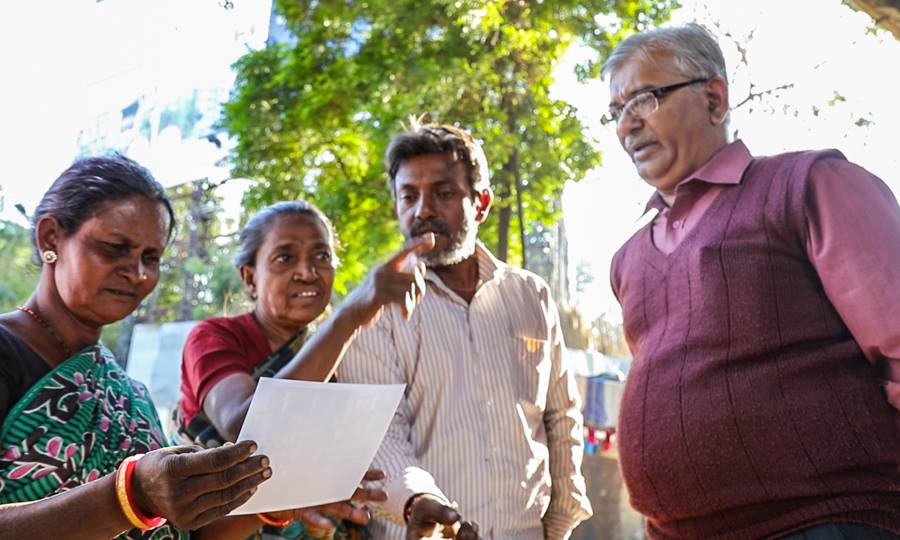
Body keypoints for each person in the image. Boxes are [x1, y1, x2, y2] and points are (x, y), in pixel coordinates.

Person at [604, 23, 900, 539]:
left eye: (643, 100)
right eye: (615, 112)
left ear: (714, 99)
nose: (626, 125)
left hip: (825, 523)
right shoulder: (627, 260)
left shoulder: (810, 184)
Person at [336, 122, 593, 540]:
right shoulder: (374, 310)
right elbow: (380, 438)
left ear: (482, 203)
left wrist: (559, 522)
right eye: (409, 196)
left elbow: (561, 417)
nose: (423, 210)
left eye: (444, 193)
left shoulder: (531, 295)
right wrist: (417, 502)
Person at [0, 155, 280, 539]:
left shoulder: (127, 393)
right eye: (114, 248)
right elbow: (132, 504)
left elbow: (179, 531)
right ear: (51, 238)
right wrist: (127, 497)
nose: (138, 273)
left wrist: (275, 504)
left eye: (152, 257)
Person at [177, 200, 479, 540]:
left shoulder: (347, 352)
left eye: (322, 256)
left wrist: (414, 502)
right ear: (250, 277)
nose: (308, 272)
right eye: (285, 258)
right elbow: (246, 428)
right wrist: (348, 318)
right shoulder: (215, 337)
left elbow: (375, 459)